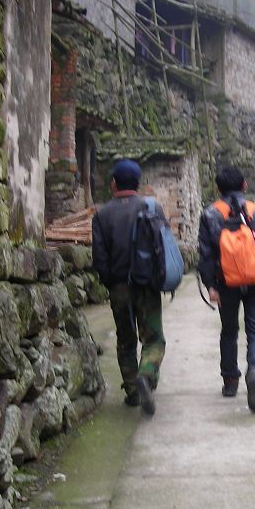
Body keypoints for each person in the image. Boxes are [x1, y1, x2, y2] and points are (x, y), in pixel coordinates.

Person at [198, 165, 255, 413]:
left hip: (225, 282)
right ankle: (254, 368)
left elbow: (206, 255)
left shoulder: (210, 214)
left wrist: (210, 285)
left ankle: (230, 381)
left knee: (229, 331)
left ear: (218, 188)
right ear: (244, 185)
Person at [92, 159, 167, 416]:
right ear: (138, 183)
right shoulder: (152, 207)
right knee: (153, 338)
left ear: (113, 183)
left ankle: (133, 392)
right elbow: (164, 246)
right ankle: (146, 374)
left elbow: (99, 257)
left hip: (119, 286)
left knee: (125, 340)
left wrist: (110, 282)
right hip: (147, 285)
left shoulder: (102, 215)